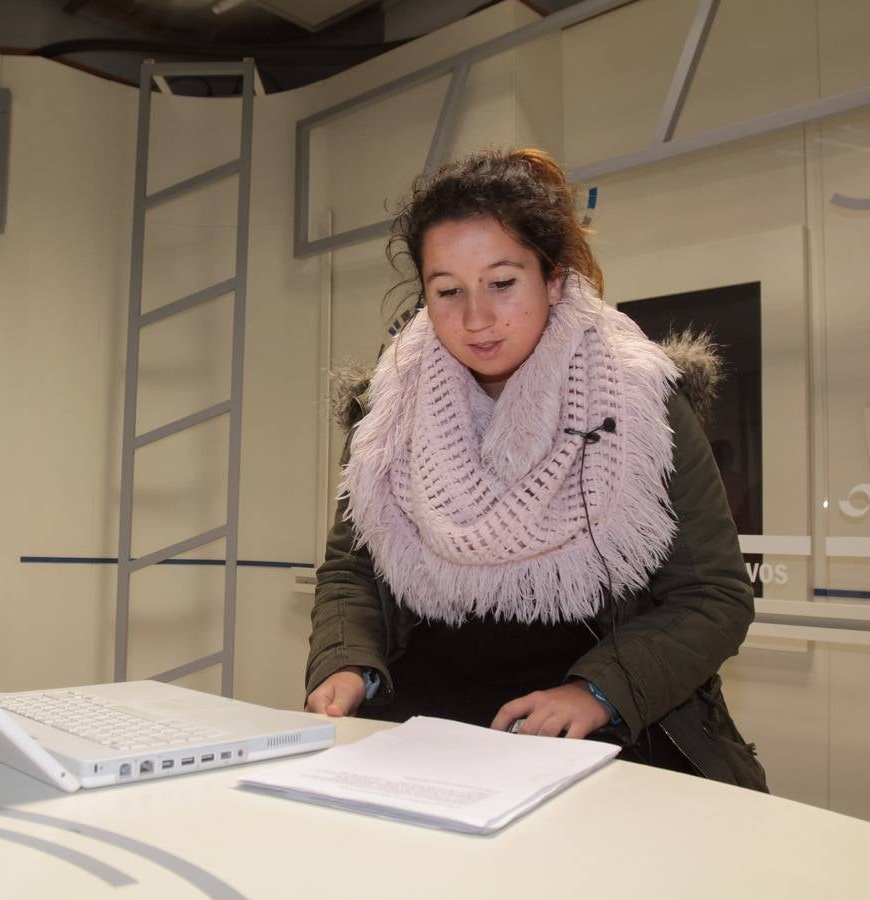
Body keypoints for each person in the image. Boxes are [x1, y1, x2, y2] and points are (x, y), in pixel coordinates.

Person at [304, 148, 767, 790]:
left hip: (603, 742)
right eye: (448, 292)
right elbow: (354, 570)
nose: (476, 319)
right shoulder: (386, 413)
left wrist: (597, 692)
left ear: (551, 280)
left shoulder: (639, 400)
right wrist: (347, 662)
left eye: (502, 283)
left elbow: (712, 596)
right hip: (425, 742)